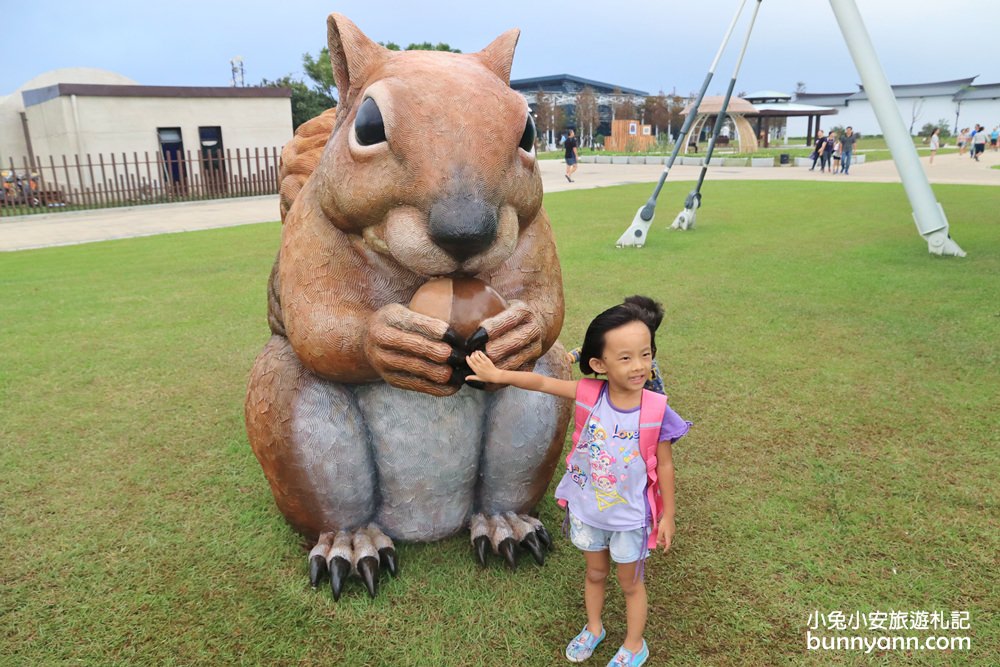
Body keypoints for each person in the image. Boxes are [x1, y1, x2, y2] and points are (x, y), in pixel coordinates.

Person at [466, 296, 691, 667]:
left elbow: (664, 467)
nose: (639, 366)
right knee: (595, 572)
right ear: (598, 364)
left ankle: (635, 645)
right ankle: (594, 627)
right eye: (626, 357)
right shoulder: (590, 393)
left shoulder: (656, 409)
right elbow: (540, 381)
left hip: (632, 519)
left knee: (632, 584)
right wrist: (498, 375)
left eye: (646, 354)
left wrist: (667, 516)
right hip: (589, 511)